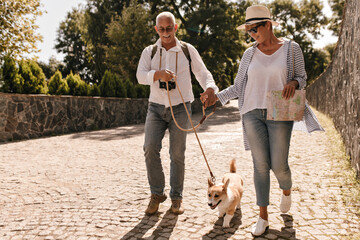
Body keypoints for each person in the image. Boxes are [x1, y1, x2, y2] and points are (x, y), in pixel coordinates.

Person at [201, 5, 323, 236]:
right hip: (251, 113)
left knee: (279, 165)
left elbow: (302, 77)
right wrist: (215, 98)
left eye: (255, 29)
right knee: (260, 166)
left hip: (280, 111)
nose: (251, 34)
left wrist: (294, 83)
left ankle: (286, 190)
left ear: (268, 25)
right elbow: (238, 87)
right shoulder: (249, 54)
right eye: (248, 30)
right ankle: (263, 216)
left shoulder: (290, 48)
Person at [136, 12, 218, 215]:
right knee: (149, 148)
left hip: (181, 107)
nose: (165, 32)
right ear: (156, 29)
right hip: (155, 107)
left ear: (175, 28)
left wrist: (210, 87)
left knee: (177, 154)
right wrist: (157, 74)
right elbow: (140, 76)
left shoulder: (187, 50)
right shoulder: (150, 51)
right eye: (161, 29)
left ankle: (176, 197)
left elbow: (202, 72)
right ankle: (157, 194)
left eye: (169, 28)